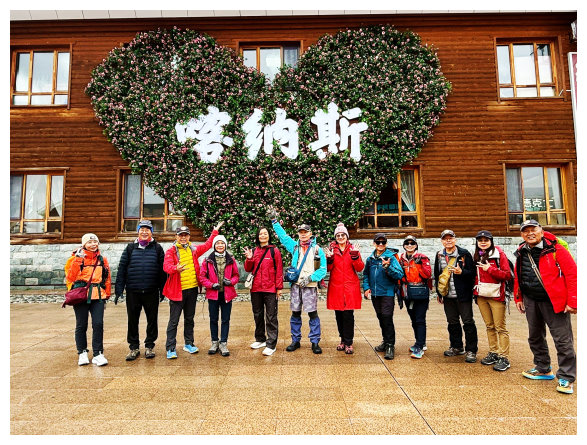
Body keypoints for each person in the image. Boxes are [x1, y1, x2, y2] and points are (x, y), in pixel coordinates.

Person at [513, 220, 577, 394]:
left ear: (541, 231)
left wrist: (573, 301)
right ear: (522, 234)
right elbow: (519, 274)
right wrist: (518, 297)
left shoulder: (556, 249)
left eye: (533, 229)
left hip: (554, 301)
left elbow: (572, 275)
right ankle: (543, 368)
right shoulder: (522, 250)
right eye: (525, 231)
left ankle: (566, 376)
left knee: (562, 340)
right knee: (535, 336)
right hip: (531, 300)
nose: (530, 233)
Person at [269, 208, 327, 354]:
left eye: (305, 232)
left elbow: (323, 269)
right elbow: (283, 237)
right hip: (296, 285)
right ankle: (295, 340)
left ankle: (315, 342)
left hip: (310, 286)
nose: (303, 234)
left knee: (312, 313)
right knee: (295, 313)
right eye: (301, 232)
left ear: (310, 234)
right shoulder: (294, 246)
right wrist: (274, 221)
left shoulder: (317, 250)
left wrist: (310, 278)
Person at [162, 222, 223, 359]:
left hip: (192, 289)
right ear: (176, 237)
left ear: (189, 237)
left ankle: (189, 343)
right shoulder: (171, 251)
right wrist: (175, 269)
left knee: (189, 319)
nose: (183, 238)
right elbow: (166, 267)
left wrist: (215, 232)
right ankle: (170, 347)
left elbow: (207, 245)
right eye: (181, 235)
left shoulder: (193, 249)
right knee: (174, 321)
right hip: (177, 291)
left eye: (186, 235)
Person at [115, 220, 166, 361]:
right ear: (138, 232)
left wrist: (163, 290)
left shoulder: (157, 248)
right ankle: (134, 347)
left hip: (151, 291)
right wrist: (119, 289)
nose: (144, 232)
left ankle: (149, 346)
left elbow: (163, 271)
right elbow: (122, 269)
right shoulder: (130, 248)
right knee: (132, 320)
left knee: (152, 320)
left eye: (147, 229)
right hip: (133, 291)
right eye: (142, 229)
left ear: (151, 232)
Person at [64, 233, 111, 366]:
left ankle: (98, 353)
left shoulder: (102, 259)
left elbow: (107, 278)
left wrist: (107, 294)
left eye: (95, 242)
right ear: (84, 244)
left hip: (98, 295)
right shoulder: (74, 259)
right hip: (81, 295)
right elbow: (70, 277)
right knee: (81, 324)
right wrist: (78, 260)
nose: (93, 244)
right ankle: (82, 352)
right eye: (89, 242)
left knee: (98, 324)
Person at [433, 229, 478, 363]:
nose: (448, 241)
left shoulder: (464, 254)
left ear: (455, 239)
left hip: (463, 294)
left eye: (450, 238)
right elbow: (437, 274)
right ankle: (457, 346)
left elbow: (472, 273)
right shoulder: (439, 255)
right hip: (447, 295)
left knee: (468, 322)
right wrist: (439, 293)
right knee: (452, 322)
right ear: (442, 241)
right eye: (445, 239)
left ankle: (471, 350)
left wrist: (461, 272)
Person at [473, 230, 512, 372]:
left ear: (491, 241)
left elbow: (507, 275)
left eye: (486, 240)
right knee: (489, 326)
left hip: (496, 295)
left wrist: (490, 269)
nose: (483, 242)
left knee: (500, 327)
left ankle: (504, 357)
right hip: (482, 295)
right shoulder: (476, 255)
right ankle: (493, 352)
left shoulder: (499, 254)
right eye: (480, 240)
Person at [324, 223, 364, 354]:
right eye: (338, 235)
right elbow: (328, 269)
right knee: (339, 315)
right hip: (336, 287)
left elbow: (359, 268)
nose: (340, 237)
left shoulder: (353, 249)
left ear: (347, 236)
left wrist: (355, 256)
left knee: (348, 315)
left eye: (343, 235)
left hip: (350, 287)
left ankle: (349, 342)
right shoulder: (332, 250)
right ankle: (342, 339)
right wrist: (329, 259)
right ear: (335, 237)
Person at [363, 233, 404, 360]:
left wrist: (388, 267)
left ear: (386, 243)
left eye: (383, 242)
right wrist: (366, 288)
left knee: (387, 318)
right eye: (378, 242)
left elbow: (399, 274)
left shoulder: (391, 258)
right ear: (374, 243)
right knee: (381, 318)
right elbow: (366, 275)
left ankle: (390, 345)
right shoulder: (370, 259)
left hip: (387, 293)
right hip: (375, 294)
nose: (380, 244)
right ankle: (385, 341)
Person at [244, 227, 284, 356]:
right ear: (257, 236)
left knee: (271, 316)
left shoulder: (274, 251)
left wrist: (279, 288)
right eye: (260, 234)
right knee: (257, 314)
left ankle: (271, 344)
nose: (263, 235)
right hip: (256, 288)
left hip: (270, 288)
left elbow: (279, 270)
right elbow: (248, 268)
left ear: (269, 236)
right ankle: (260, 339)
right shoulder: (254, 250)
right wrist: (249, 258)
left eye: (265, 233)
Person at [200, 235, 240, 357]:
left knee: (225, 319)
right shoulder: (208, 260)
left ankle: (223, 343)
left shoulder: (231, 260)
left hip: (227, 294)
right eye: (218, 243)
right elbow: (202, 277)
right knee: (213, 319)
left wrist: (231, 282)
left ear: (225, 245)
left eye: (222, 243)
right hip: (213, 294)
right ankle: (214, 342)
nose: (220, 245)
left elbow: (236, 275)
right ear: (214, 246)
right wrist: (211, 285)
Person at [397, 235, 431, 359]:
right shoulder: (401, 259)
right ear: (404, 245)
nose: (409, 245)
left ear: (416, 245)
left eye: (412, 243)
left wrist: (419, 266)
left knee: (420, 319)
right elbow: (398, 274)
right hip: (407, 292)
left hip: (420, 291)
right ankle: (419, 341)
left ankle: (420, 346)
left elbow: (428, 275)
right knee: (413, 319)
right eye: (407, 243)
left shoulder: (422, 257)